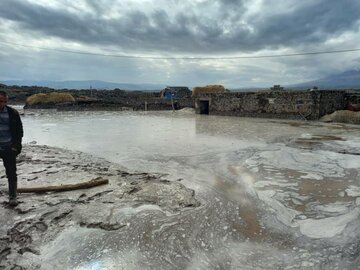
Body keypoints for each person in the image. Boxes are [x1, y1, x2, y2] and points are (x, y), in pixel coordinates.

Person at [0, 90, 23, 207]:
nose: (2, 104)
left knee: (11, 173)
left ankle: (13, 196)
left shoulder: (13, 113)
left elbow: (19, 131)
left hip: (9, 147)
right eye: (0, 101)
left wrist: (16, 147)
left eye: (4, 101)